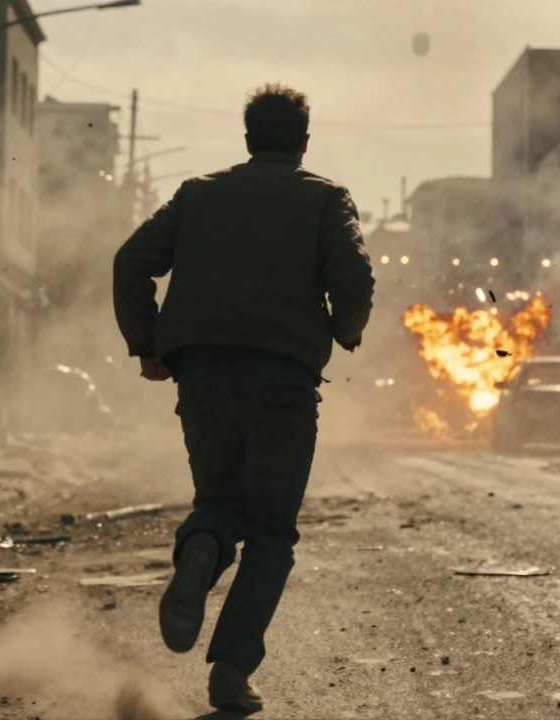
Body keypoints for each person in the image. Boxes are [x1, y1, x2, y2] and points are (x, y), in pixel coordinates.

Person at [112, 83, 375, 714]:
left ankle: (202, 544)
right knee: (271, 535)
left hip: (202, 378)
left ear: (248, 139)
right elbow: (355, 277)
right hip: (284, 382)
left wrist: (147, 343)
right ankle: (229, 674)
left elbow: (130, 262)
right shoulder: (324, 198)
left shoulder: (198, 194)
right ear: (303, 142)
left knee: (218, 502)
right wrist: (347, 330)